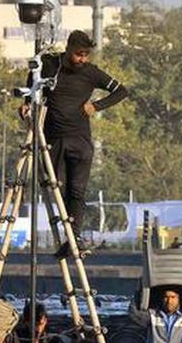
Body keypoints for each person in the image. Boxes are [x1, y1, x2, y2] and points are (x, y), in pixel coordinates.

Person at [19, 30, 128, 259]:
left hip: (80, 141)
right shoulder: (50, 65)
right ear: (68, 48)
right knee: (58, 187)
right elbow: (33, 80)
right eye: (79, 54)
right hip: (54, 139)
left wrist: (96, 106)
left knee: (77, 192)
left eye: (86, 55)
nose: (82, 59)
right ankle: (70, 235)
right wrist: (27, 103)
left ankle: (74, 237)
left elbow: (121, 91)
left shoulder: (90, 72)